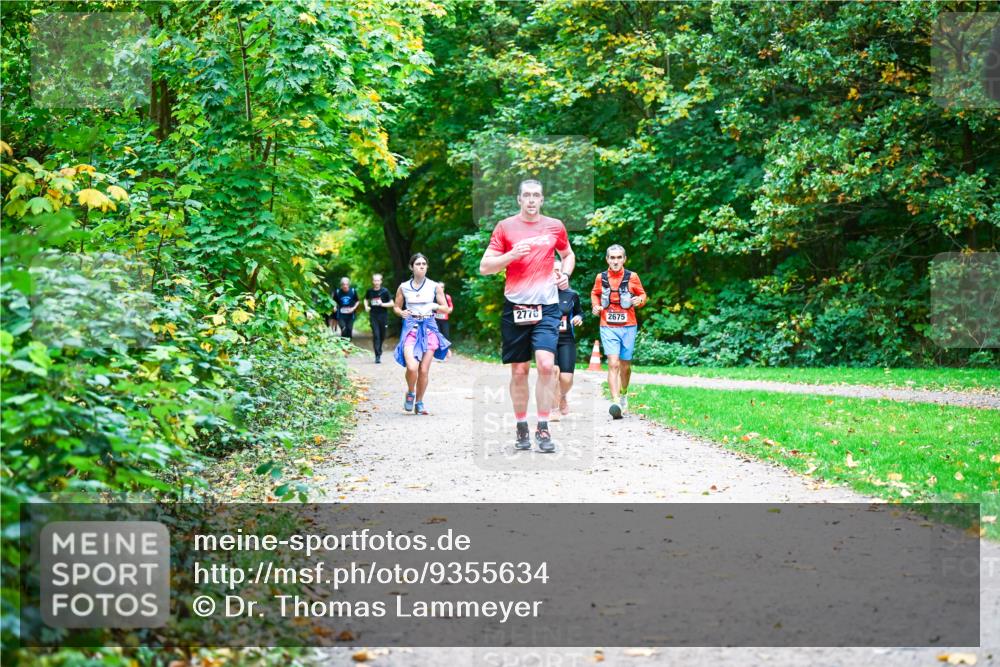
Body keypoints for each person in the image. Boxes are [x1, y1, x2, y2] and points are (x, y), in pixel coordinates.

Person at [479, 179, 575, 453]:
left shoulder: (555, 226)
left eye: (536, 195)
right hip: (516, 307)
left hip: (547, 306)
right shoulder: (505, 227)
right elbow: (485, 267)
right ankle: (521, 425)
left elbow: (568, 254)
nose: (531, 200)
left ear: (542, 199)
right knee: (520, 371)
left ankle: (543, 427)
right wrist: (510, 255)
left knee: (546, 365)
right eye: (527, 195)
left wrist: (564, 274)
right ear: (519, 199)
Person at [591, 244, 647, 419]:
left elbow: (643, 295)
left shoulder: (633, 277)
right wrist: (595, 306)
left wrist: (640, 300)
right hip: (608, 325)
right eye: (612, 258)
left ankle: (623, 395)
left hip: (628, 325)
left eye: (619, 258)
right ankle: (615, 402)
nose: (615, 261)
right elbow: (595, 293)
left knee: (625, 367)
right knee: (613, 363)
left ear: (624, 259)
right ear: (607, 259)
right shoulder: (601, 277)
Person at [393, 253, 452, 415]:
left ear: (427, 267)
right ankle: (410, 392)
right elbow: (396, 306)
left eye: (424, 264)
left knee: (424, 370)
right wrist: (401, 312)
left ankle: (419, 402)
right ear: (411, 267)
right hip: (411, 328)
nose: (421, 266)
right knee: (412, 367)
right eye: (418, 264)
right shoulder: (403, 286)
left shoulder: (434, 286)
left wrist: (433, 305)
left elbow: (446, 308)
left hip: (429, 328)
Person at [550, 259, 584, 422]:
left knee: (566, 378)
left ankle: (562, 395)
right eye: (553, 270)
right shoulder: (541, 293)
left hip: (566, 339)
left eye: (559, 270)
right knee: (553, 372)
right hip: (548, 339)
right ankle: (554, 408)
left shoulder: (572, 294)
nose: (556, 273)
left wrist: (578, 317)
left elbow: (580, 312)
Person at [364, 273, 393, 363]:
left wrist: (382, 304)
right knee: (376, 335)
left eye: (378, 280)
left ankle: (379, 349)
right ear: (373, 281)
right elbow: (365, 299)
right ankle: (377, 355)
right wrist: (366, 306)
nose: (376, 282)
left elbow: (392, 303)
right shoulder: (370, 291)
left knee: (382, 335)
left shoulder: (385, 291)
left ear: (381, 281)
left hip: (383, 316)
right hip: (373, 316)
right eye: (375, 280)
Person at [433, 282, 454, 361]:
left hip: (444, 320)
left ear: (444, 288)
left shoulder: (447, 297)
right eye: (439, 287)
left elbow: (451, 307)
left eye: (442, 287)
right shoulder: (433, 297)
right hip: (435, 320)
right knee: (437, 336)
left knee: (446, 336)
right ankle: (438, 355)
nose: (441, 289)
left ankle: (445, 354)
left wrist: (448, 310)